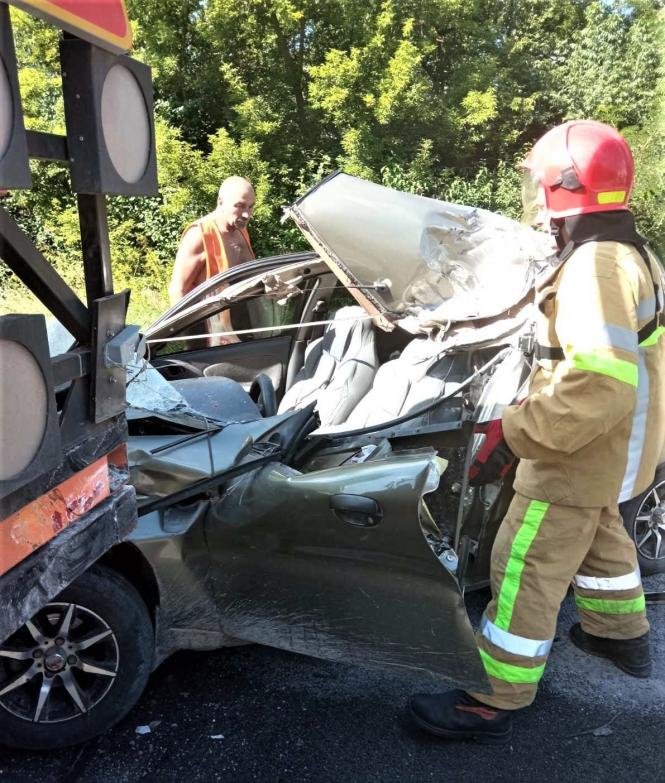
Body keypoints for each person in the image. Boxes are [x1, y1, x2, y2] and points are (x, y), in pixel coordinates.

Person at [409, 120, 665, 745]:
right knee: (603, 538)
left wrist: (516, 432)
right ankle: (620, 637)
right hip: (613, 447)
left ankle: (495, 694)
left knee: (522, 562)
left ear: (563, 188)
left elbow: (597, 384)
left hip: (576, 448)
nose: (537, 205)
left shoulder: (595, 269)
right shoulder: (634, 253)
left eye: (540, 187)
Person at [168, 175, 255, 305]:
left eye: (250, 206)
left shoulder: (240, 228)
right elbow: (177, 291)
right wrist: (186, 325)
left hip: (241, 321)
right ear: (220, 202)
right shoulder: (200, 234)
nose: (247, 214)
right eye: (240, 206)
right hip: (209, 323)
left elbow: (249, 276)